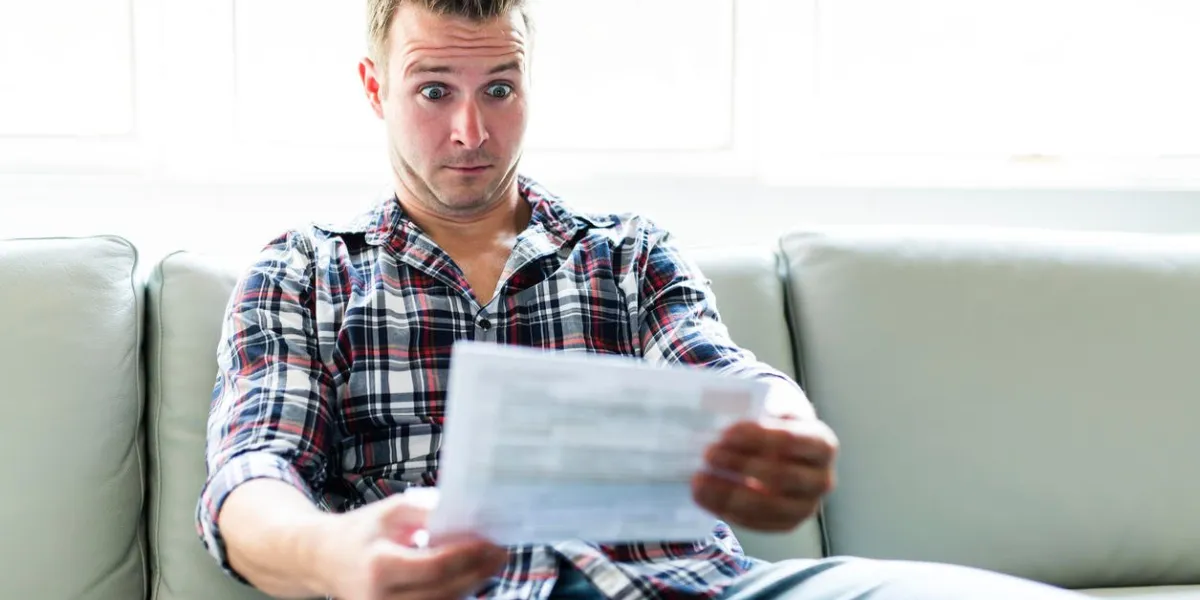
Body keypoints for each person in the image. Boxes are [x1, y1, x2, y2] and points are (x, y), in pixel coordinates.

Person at [196, 1, 1087, 599]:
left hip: (697, 586)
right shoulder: (304, 271)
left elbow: (722, 371)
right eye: (434, 91)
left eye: (499, 89)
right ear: (374, 88)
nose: (471, 131)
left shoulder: (627, 253)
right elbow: (250, 479)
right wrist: (337, 556)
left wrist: (781, 432)